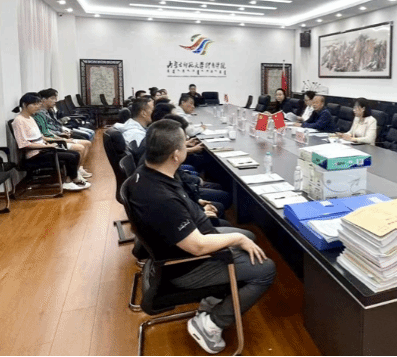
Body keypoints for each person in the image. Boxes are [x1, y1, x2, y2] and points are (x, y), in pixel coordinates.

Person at [127, 119, 276, 354]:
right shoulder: (161, 198)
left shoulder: (148, 172)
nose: (187, 146)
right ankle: (211, 324)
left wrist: (198, 209)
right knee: (266, 269)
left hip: (191, 238)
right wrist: (237, 240)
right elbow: (197, 246)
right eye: (184, 144)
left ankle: (213, 299)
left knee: (249, 236)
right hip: (188, 264)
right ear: (176, 155)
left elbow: (180, 209)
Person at [11, 93, 89, 191]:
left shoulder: (30, 118)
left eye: (37, 104)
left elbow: (41, 136)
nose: (37, 107)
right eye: (34, 104)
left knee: (75, 154)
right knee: (71, 157)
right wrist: (46, 146)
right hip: (35, 154)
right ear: (24, 105)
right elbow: (23, 144)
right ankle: (71, 180)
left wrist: (55, 141)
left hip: (44, 149)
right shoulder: (18, 121)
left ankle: (70, 180)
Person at [35, 89, 94, 179]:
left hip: (59, 135)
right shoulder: (40, 114)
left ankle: (79, 169)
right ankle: (75, 173)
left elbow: (56, 125)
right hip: (54, 140)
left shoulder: (50, 111)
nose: (55, 101)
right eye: (52, 98)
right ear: (43, 100)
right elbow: (47, 132)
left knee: (87, 143)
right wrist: (62, 137)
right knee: (81, 147)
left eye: (55, 98)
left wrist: (64, 130)